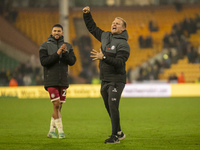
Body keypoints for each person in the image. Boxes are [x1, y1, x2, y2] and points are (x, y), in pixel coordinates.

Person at [83, 6, 130, 144]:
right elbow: (92, 28)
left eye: (118, 23)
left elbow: (120, 63)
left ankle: (114, 137)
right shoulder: (105, 36)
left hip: (117, 80)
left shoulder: (124, 45)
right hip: (104, 79)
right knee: (109, 107)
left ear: (123, 29)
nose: (114, 24)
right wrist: (87, 15)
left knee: (113, 106)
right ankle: (119, 132)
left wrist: (103, 57)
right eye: (113, 22)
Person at [39, 24, 76, 139]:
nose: (57, 32)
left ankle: (51, 131)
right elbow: (44, 62)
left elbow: (72, 62)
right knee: (56, 104)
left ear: (62, 33)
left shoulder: (68, 46)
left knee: (58, 107)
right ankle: (61, 131)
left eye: (59, 31)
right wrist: (58, 53)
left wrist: (65, 53)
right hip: (51, 80)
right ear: (51, 32)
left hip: (63, 80)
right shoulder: (45, 45)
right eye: (55, 30)